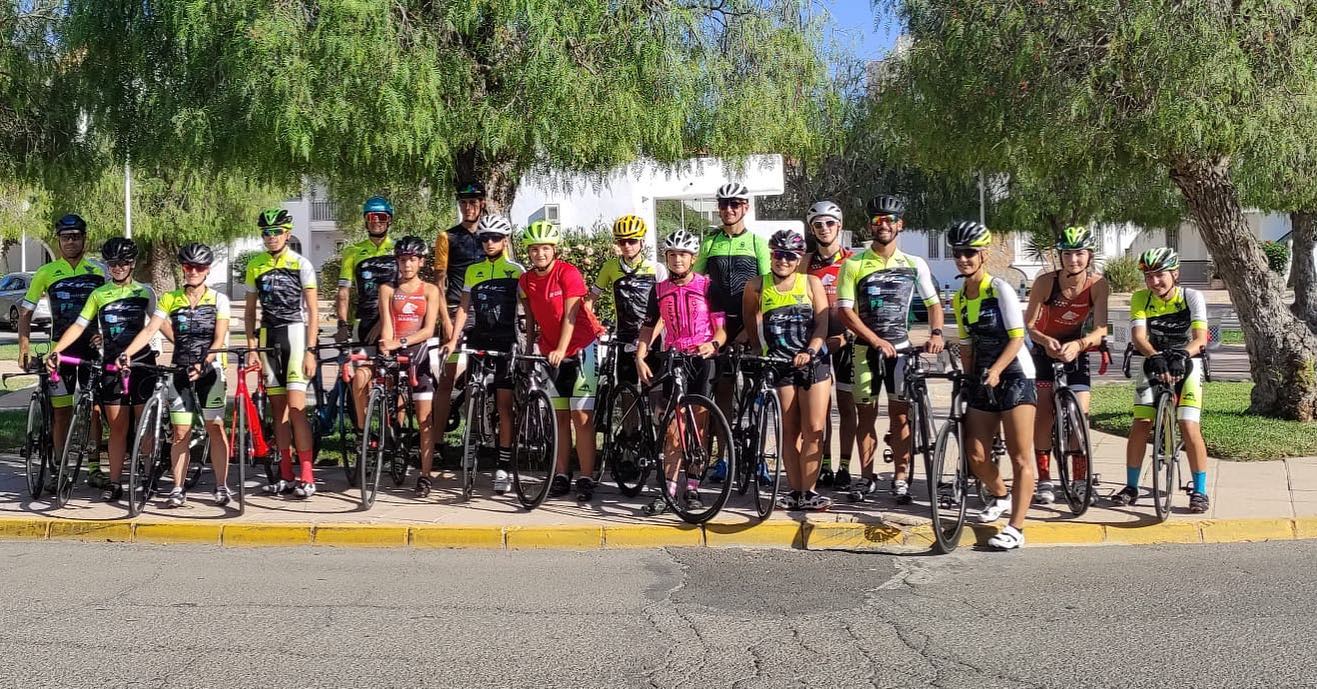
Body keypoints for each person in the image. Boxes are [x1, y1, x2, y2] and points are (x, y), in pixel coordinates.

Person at [835, 195, 944, 504]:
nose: (882, 226)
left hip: (902, 351)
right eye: (876, 221)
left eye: (888, 221)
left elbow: (934, 304)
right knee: (865, 416)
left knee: (900, 417)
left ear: (900, 225)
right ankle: (866, 476)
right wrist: (874, 340)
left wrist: (936, 332)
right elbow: (844, 311)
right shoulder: (853, 263)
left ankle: (899, 476)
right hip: (864, 351)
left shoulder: (914, 264)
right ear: (869, 225)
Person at [119, 243, 232, 506]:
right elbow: (150, 331)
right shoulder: (170, 298)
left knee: (215, 428)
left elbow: (218, 340)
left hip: (210, 372)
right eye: (188, 266)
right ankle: (178, 488)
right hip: (179, 371)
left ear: (207, 270)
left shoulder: (219, 300)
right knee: (181, 432)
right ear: (182, 268)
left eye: (199, 267)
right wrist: (127, 352)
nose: (193, 271)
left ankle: (221, 485)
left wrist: (204, 363)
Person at [46, 238, 157, 504]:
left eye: (122, 263)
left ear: (132, 264)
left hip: (140, 364)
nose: (117, 268)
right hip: (110, 365)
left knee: (144, 427)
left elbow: (157, 325)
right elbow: (79, 325)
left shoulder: (145, 292)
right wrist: (58, 350)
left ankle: (147, 474)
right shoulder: (99, 294)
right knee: (117, 427)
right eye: (112, 264)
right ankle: (116, 481)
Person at [948, 221, 1036, 550]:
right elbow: (967, 344)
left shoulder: (999, 288)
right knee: (976, 454)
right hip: (985, 376)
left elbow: (1017, 338)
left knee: (1019, 455)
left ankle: (1016, 527)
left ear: (983, 255)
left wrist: (997, 370)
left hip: (1014, 374)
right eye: (958, 253)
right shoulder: (959, 297)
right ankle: (1000, 494)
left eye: (970, 253)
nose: (963, 259)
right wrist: (967, 378)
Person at [635, 230, 726, 516]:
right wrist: (640, 355)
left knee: (698, 426)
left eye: (683, 255)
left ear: (693, 258)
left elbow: (722, 330)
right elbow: (650, 326)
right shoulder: (659, 289)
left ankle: (693, 487)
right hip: (673, 358)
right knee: (674, 426)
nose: (677, 260)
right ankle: (669, 489)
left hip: (702, 358)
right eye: (672, 255)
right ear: (666, 257)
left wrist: (712, 344)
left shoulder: (709, 286)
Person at [1112, 248, 1211, 514]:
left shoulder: (1191, 297)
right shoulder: (1141, 299)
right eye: (1149, 276)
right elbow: (1139, 337)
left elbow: (1201, 338)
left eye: (1160, 275)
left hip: (1186, 361)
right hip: (1153, 360)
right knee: (1141, 422)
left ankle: (1200, 490)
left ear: (1175, 274)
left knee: (1188, 425)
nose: (1155, 281)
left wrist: (1182, 354)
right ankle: (1131, 486)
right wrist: (1154, 356)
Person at [744, 230, 832, 511]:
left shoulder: (811, 283)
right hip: (779, 365)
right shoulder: (756, 285)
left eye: (789, 256)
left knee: (814, 429)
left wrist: (812, 350)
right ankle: (796, 491)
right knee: (789, 431)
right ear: (770, 255)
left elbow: (822, 324)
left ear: (798, 260)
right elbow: (750, 320)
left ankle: (810, 489)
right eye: (777, 254)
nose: (782, 260)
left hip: (812, 363)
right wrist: (758, 348)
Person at [518, 221, 607, 501]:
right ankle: (560, 473)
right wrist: (532, 344)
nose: (539, 254)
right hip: (549, 350)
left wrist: (561, 348)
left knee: (581, 416)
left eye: (545, 248)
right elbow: (530, 313)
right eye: (534, 249)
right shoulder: (526, 280)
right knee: (559, 416)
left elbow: (571, 316)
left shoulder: (567, 273)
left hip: (581, 347)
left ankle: (585, 476)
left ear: (554, 249)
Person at [19, 214, 107, 488]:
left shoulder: (98, 271)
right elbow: (25, 312)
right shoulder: (46, 273)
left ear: (84, 238)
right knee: (61, 411)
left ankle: (94, 466)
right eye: (66, 237)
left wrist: (103, 336)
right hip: (60, 350)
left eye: (76, 236)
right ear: (58, 240)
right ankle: (60, 467)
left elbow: (110, 309)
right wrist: (23, 346)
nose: (71, 241)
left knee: (93, 408)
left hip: (91, 350)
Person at [1023, 225, 1110, 504]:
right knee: (1044, 412)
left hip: (1076, 349)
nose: (1074, 260)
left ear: (1089, 255)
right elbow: (1030, 325)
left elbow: (1101, 328)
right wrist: (1046, 341)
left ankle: (1080, 479)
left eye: (1080, 254)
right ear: (1060, 256)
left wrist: (1080, 345)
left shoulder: (1098, 284)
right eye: (1068, 254)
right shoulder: (1045, 282)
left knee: (1080, 414)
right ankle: (1045, 479)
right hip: (1044, 349)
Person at [443, 213, 523, 495]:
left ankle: (503, 465)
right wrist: (453, 340)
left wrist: (530, 340)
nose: (489, 243)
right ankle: (472, 444)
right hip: (479, 339)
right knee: (471, 397)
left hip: (505, 341)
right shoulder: (473, 271)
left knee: (503, 405)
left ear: (505, 241)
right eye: (485, 238)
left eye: (495, 238)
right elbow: (464, 308)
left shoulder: (516, 270)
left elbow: (529, 311)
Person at [696, 182, 770, 482]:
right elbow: (697, 286)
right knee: (723, 393)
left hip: (750, 328)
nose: (729, 209)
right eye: (724, 204)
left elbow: (768, 291)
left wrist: (752, 331)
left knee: (759, 396)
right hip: (718, 329)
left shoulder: (756, 243)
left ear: (746, 207)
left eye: (735, 204)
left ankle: (760, 459)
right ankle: (723, 459)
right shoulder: (710, 243)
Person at [244, 208, 320, 499]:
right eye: (266, 232)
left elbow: (313, 311)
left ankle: (308, 474)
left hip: (295, 334)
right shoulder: (255, 265)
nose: (271, 237)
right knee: (278, 411)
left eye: (276, 232)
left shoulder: (301, 263)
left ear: (288, 234)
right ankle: (286, 474)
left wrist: (311, 350)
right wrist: (252, 347)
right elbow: (250, 312)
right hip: (268, 336)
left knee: (297, 408)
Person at [377, 236, 444, 498]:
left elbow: (428, 329)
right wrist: (387, 344)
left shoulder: (429, 290)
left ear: (421, 262)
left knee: (425, 419)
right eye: (403, 260)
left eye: (412, 260)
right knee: (395, 409)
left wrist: (400, 341)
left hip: (421, 354)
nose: (407, 265)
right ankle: (397, 446)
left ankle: (425, 475)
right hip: (395, 350)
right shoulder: (387, 289)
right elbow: (387, 324)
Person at [431, 181, 488, 462]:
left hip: (486, 314)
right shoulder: (447, 237)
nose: (468, 207)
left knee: (480, 378)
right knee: (447, 379)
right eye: (464, 203)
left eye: (474, 202)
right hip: (455, 311)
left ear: (482, 204)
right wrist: (446, 320)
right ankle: (437, 442)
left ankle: (474, 439)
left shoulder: (492, 236)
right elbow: (438, 285)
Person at [803, 200, 857, 489]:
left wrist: (846, 337)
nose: (824, 229)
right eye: (818, 224)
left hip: (847, 340)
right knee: (820, 408)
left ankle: (845, 466)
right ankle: (823, 464)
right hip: (816, 341)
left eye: (830, 223)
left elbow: (861, 308)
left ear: (840, 226)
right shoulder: (804, 263)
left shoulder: (853, 261)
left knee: (847, 405)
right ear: (812, 229)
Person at [336, 196, 397, 432]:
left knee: (393, 379)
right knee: (360, 378)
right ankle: (363, 434)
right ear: (365, 220)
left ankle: (394, 432)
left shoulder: (397, 249)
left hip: (392, 322)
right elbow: (344, 292)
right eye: (371, 217)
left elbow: (403, 291)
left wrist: (384, 322)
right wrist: (342, 324)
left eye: (381, 217)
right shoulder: (353, 251)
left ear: (389, 220)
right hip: (364, 320)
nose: (376, 222)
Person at [587, 214, 666, 385]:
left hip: (652, 335)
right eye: (622, 242)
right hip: (624, 336)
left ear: (642, 241)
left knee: (654, 391)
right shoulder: (610, 267)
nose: (627, 246)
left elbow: (665, 311)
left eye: (632, 241)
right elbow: (591, 300)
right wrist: (592, 325)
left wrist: (649, 340)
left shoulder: (657, 269)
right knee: (626, 390)